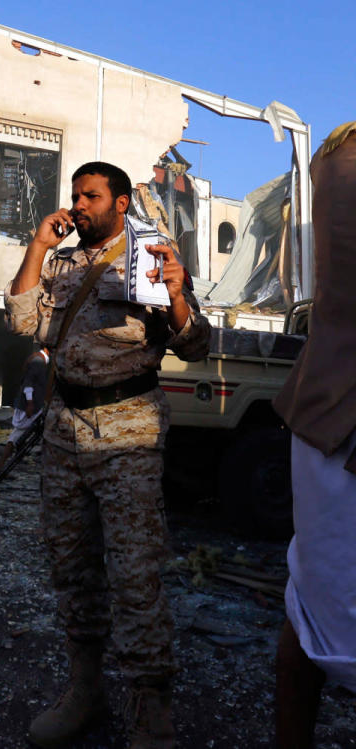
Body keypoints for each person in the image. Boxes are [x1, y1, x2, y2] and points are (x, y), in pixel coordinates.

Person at [4, 161, 210, 748]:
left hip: (128, 434)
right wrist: (38, 247)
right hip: (65, 430)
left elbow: (195, 345)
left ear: (121, 203)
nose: (79, 204)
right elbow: (24, 323)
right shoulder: (63, 261)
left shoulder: (151, 254)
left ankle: (151, 709)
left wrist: (174, 293)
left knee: (136, 573)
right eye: (75, 195)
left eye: (91, 195)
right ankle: (86, 691)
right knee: (71, 567)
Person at [272, 122, 356, 749]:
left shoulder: (336, 152)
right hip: (338, 422)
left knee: (307, 611)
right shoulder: (345, 152)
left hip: (324, 408)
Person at [0, 348, 49, 476]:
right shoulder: (38, 362)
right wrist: (31, 403)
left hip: (31, 405)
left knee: (16, 436)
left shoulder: (37, 360)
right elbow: (28, 383)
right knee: (17, 435)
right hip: (31, 406)